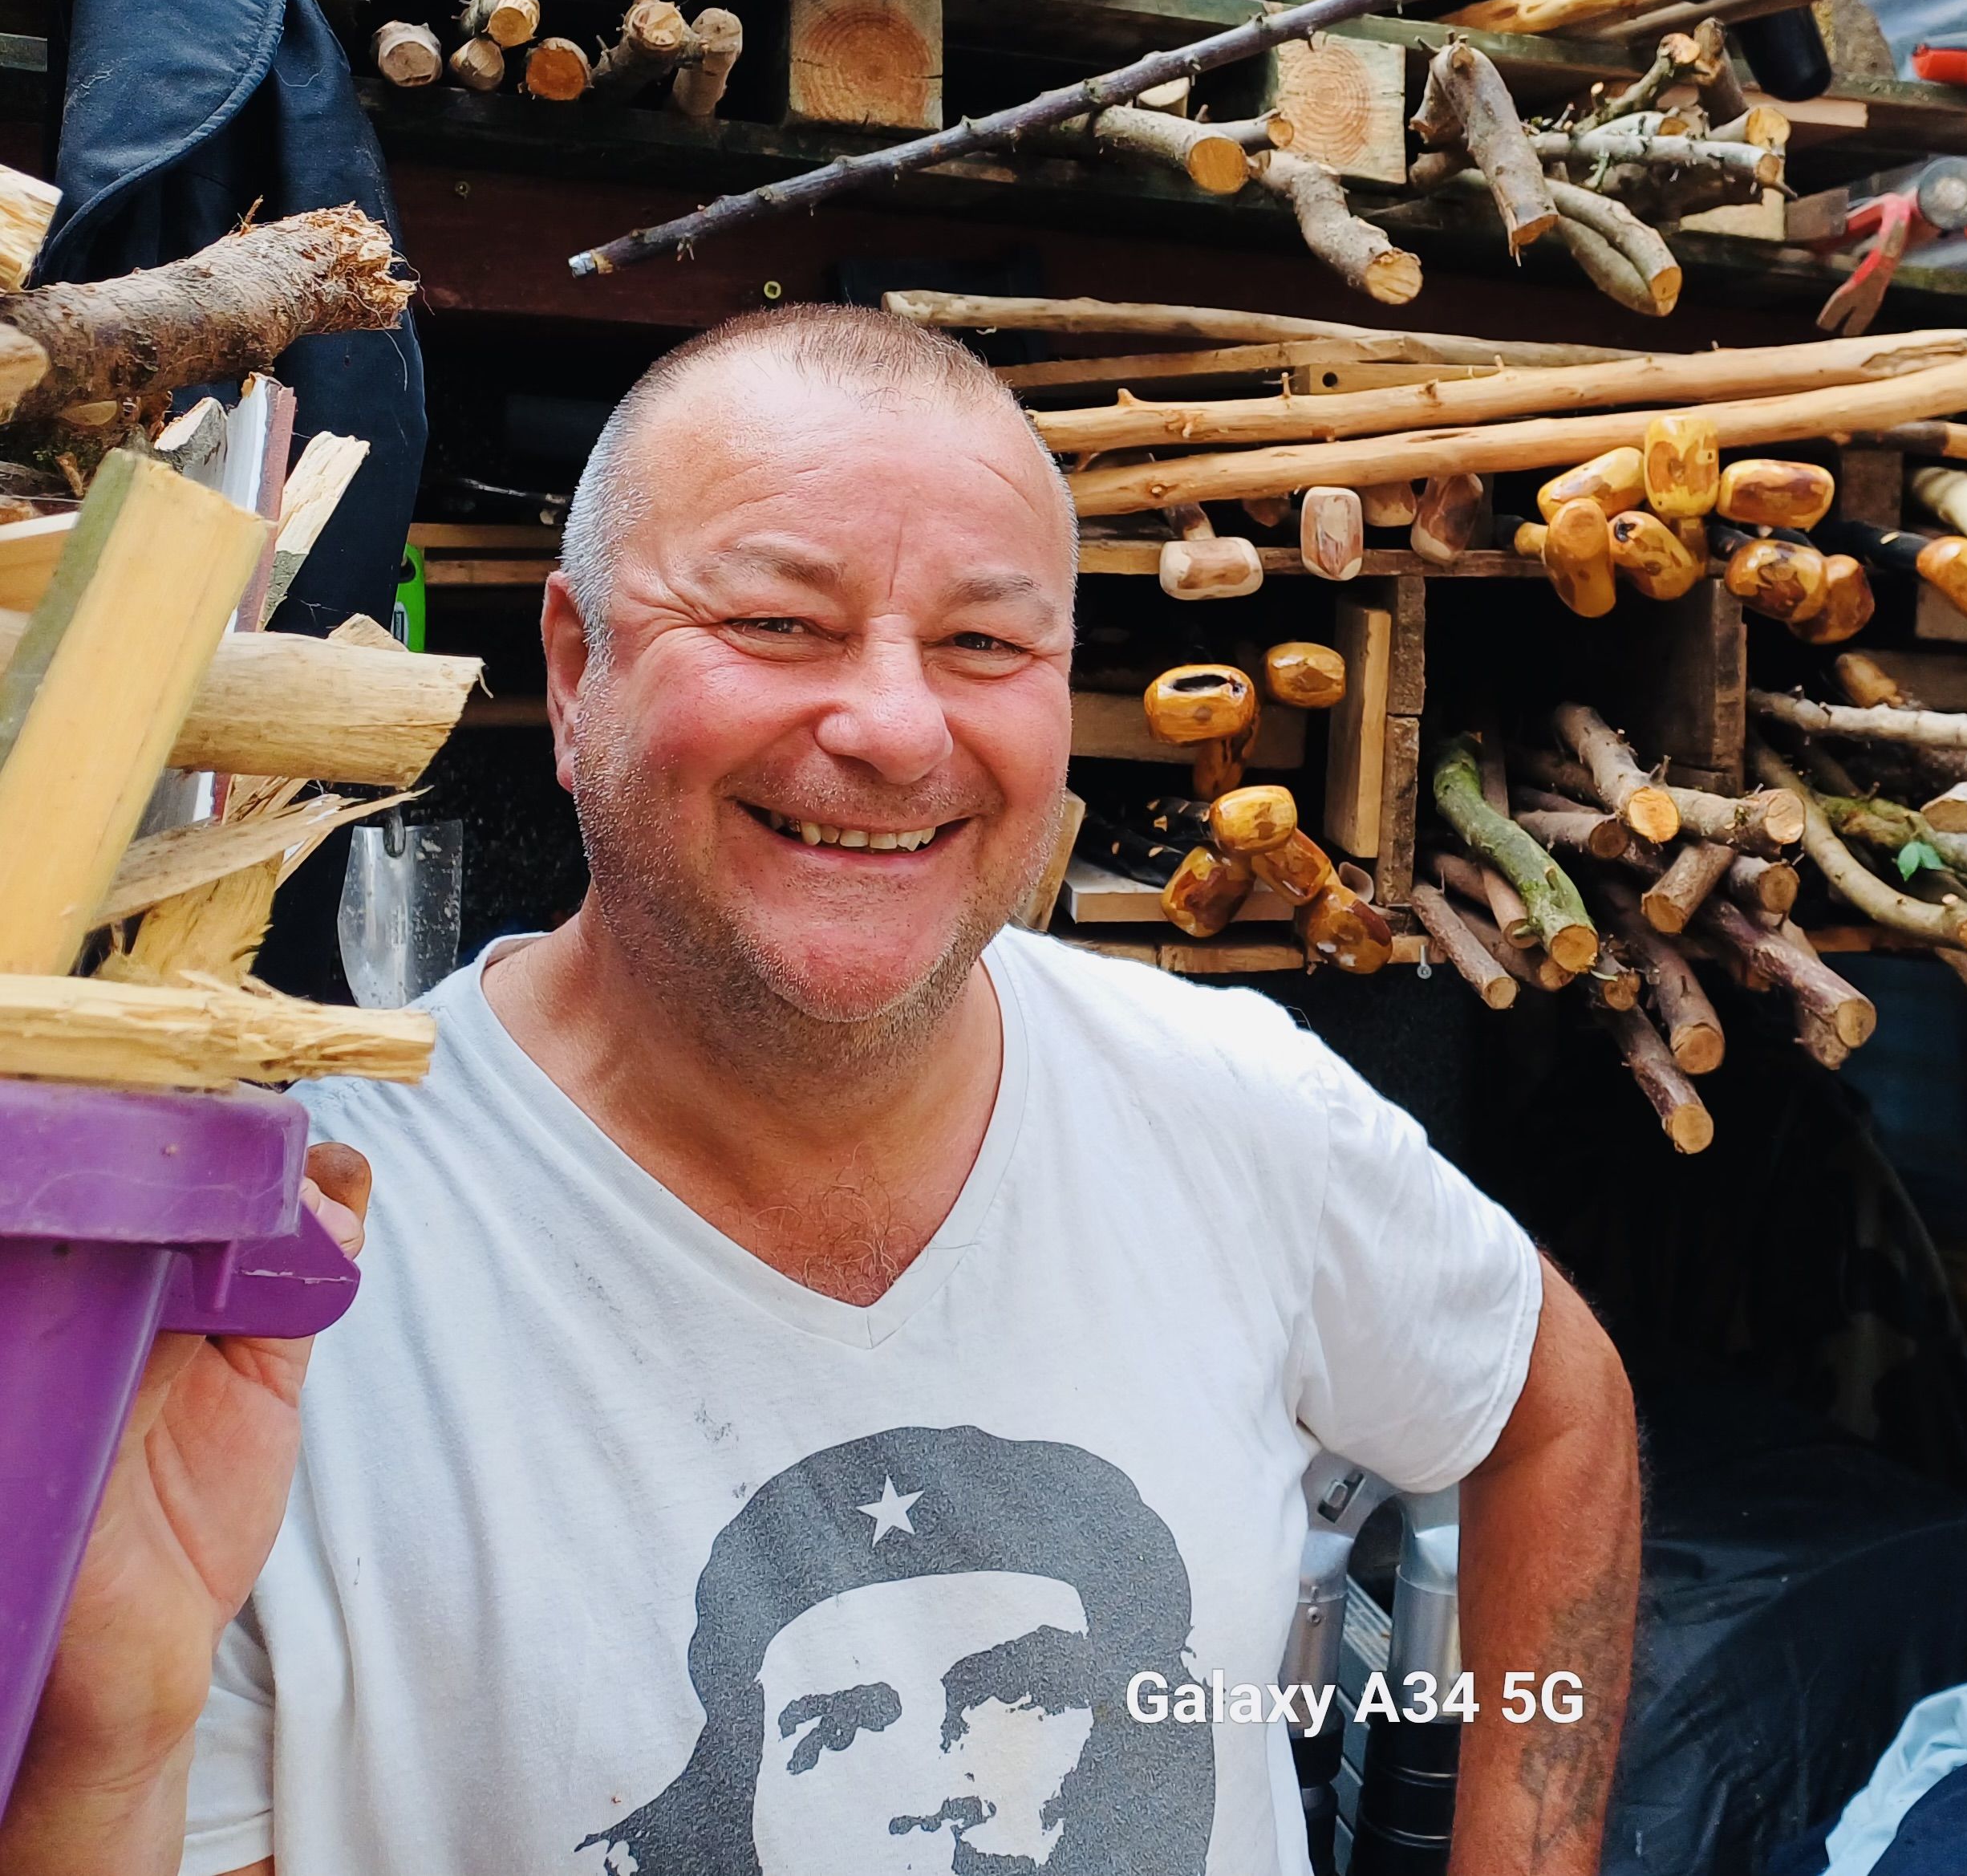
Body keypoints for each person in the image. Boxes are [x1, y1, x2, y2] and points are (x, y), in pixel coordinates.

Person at [0, 304, 1641, 1876]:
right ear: (574, 673)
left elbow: (1550, 1409)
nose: (892, 724)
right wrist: (107, 1744)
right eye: (777, 620)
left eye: (984, 642)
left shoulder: (1222, 1104)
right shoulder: (293, 1285)